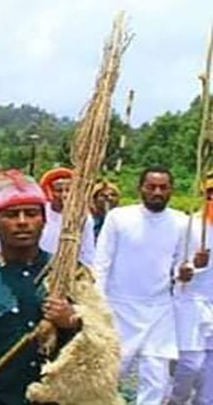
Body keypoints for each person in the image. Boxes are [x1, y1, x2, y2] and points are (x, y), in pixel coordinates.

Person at [0, 170, 121, 404]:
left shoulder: (72, 276)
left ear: (43, 221)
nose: (22, 222)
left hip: (54, 397)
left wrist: (71, 320)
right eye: (11, 214)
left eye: (31, 214)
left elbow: (102, 337)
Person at [94, 166, 189, 404]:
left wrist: (186, 271)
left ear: (171, 190)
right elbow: (102, 262)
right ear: (140, 189)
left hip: (159, 308)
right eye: (151, 187)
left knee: (157, 378)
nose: (157, 192)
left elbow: (179, 266)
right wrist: (97, 305)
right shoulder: (119, 217)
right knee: (113, 372)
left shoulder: (181, 222)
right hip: (118, 307)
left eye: (163, 187)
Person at [168, 176, 213, 404]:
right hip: (190, 303)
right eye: (211, 193)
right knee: (189, 366)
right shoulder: (187, 226)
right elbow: (172, 266)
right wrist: (192, 266)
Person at [38, 167, 96, 265]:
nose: (64, 195)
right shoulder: (40, 212)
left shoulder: (83, 218)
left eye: (68, 190)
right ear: (50, 191)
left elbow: (88, 252)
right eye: (59, 190)